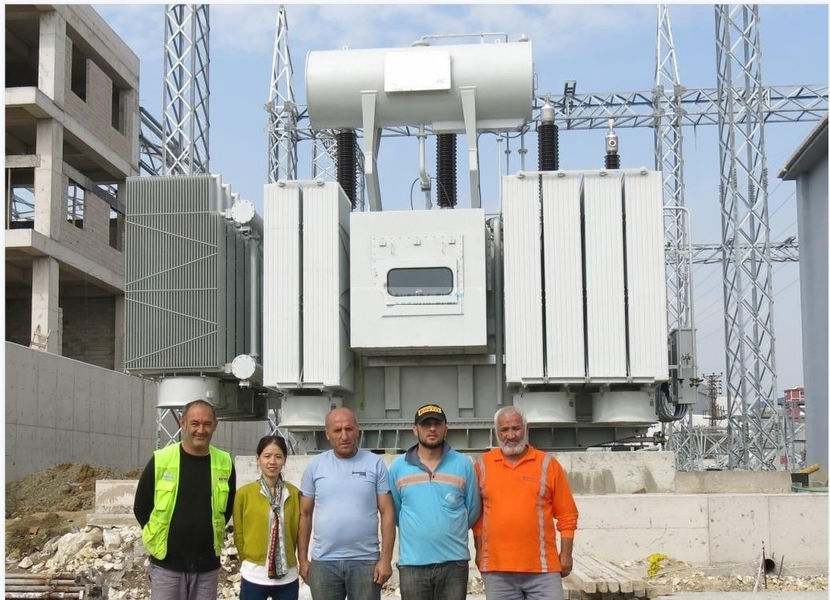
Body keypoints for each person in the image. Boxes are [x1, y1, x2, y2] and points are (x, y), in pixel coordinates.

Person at [134, 399, 236, 600]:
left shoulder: (225, 462)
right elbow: (141, 507)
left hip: (207, 566)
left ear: (215, 425)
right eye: (195, 423)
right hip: (167, 565)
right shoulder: (162, 459)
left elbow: (227, 509)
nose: (201, 430)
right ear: (182, 423)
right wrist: (157, 536)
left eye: (207, 424)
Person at [473, 406, 578, 600]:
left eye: (516, 428)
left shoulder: (548, 464)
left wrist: (566, 555)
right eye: (504, 430)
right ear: (496, 433)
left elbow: (567, 515)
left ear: (526, 429)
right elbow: (478, 519)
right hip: (497, 573)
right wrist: (480, 553)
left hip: (543, 571)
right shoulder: (482, 465)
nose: (511, 435)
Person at [297, 407, 395, 600]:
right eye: (337, 430)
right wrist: (303, 560)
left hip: (366, 562)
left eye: (349, 429)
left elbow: (387, 513)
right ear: (327, 434)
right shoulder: (315, 466)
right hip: (324, 563)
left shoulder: (375, 464)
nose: (344, 436)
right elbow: (304, 514)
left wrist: (385, 560)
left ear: (357, 430)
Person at [388, 403, 481, 600]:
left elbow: (473, 509)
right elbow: (396, 512)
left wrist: (450, 528)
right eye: (425, 424)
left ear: (446, 429)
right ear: (415, 429)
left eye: (437, 424)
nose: (432, 429)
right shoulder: (398, 467)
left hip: (454, 563)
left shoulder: (463, 464)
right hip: (413, 565)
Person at [233, 435, 300, 600]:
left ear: (284, 460)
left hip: (288, 577)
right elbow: (239, 533)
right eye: (267, 456)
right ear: (257, 459)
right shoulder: (244, 494)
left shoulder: (293, 494)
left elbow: (298, 531)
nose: (272, 462)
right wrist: (247, 560)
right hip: (254, 575)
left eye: (278, 456)